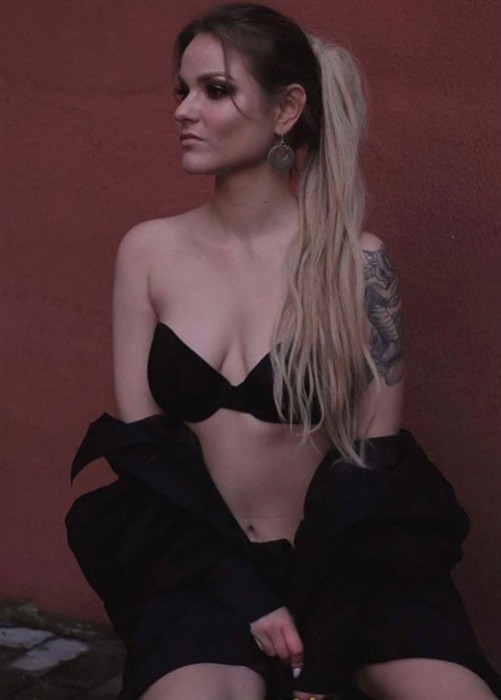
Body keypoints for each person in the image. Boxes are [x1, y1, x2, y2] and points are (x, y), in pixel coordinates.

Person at [66, 3, 501, 699]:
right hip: (207, 569)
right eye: (181, 90)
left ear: (287, 109)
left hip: (352, 570)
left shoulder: (357, 265)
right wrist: (248, 597)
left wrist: (324, 649)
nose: (183, 110)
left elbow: (373, 469)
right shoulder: (148, 251)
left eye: (214, 90)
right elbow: (149, 458)